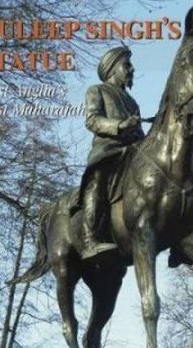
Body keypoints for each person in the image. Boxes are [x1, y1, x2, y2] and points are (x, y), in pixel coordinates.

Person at [81, 46, 145, 260]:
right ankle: (89, 239)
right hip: (108, 150)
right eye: (126, 64)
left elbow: (139, 133)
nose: (132, 69)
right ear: (112, 68)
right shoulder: (96, 90)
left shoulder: (132, 102)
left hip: (134, 153)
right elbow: (92, 120)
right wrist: (120, 125)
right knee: (98, 179)